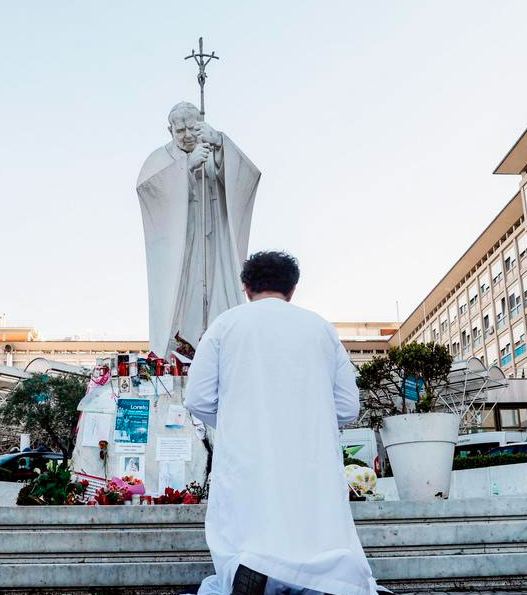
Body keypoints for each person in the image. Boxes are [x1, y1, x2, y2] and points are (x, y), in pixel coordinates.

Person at [185, 251, 378, 595]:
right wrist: (310, 419)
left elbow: (197, 398)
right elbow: (348, 406)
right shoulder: (320, 328)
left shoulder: (225, 325)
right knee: (311, 524)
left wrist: (234, 422)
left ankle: (253, 567)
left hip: (247, 452)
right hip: (309, 454)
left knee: (250, 520)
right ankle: (317, 581)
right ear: (292, 290)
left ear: (246, 287)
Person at [136, 102, 261, 358]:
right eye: (179, 130)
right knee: (183, 300)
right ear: (169, 129)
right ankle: (178, 349)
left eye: (192, 128)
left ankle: (222, 345)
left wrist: (220, 146)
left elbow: (247, 177)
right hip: (181, 248)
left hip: (215, 242)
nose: (187, 135)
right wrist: (186, 168)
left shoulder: (212, 147)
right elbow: (149, 191)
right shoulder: (160, 159)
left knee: (219, 291)